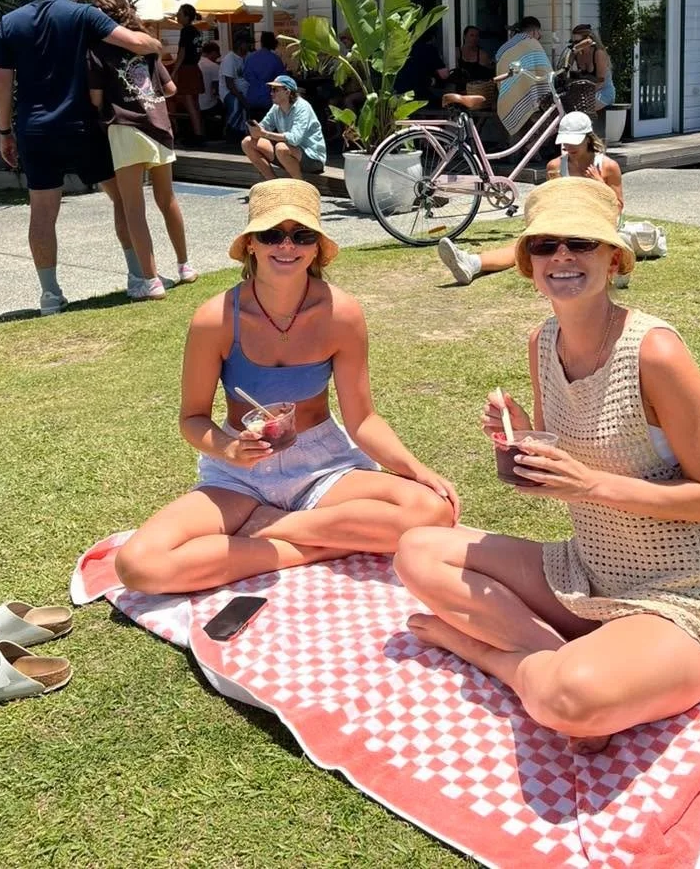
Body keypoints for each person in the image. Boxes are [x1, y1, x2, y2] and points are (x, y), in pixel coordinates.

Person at [394, 179, 700, 752]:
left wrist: (592, 484)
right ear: (528, 264)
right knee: (416, 550)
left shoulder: (654, 351)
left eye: (581, 243)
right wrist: (518, 434)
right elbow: (563, 466)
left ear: (614, 258)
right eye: (545, 245)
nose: (562, 256)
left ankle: (490, 654)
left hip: (677, 598)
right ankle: (558, 660)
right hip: (586, 572)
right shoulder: (543, 341)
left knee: (567, 700)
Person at [114, 180, 459, 595]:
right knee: (139, 565)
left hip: (322, 467)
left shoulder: (341, 313)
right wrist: (229, 448)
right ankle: (312, 547)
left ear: (316, 248)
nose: (287, 245)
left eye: (302, 235)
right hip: (240, 474)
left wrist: (416, 470)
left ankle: (274, 528)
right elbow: (192, 419)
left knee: (433, 512)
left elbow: (363, 419)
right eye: (271, 234)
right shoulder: (215, 318)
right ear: (251, 244)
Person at [0, 0, 162, 315]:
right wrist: (155, 45)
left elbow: (2, 85)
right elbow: (135, 43)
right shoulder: (84, 14)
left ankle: (50, 296)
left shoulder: (10, 23)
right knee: (121, 200)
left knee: (42, 212)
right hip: (84, 125)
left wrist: (5, 131)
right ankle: (138, 277)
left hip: (35, 130)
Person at [88, 0, 198, 301]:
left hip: (125, 128)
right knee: (168, 199)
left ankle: (151, 280)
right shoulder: (147, 45)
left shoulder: (97, 49)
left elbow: (95, 98)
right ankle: (185, 266)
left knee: (133, 208)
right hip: (158, 125)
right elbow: (171, 87)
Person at [438, 111, 624, 286]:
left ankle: (613, 269)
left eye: (574, 141)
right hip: (565, 221)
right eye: (566, 142)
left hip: (597, 223)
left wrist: (599, 184)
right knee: (531, 244)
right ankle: (472, 262)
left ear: (588, 138)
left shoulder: (608, 166)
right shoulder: (555, 166)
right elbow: (550, 201)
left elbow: (617, 207)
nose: (569, 147)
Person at [242, 76, 327, 180]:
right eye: (271, 90)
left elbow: (294, 139)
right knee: (247, 142)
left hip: (312, 159)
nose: (271, 93)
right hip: (287, 154)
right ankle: (272, 181)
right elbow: (264, 126)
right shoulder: (276, 107)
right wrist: (255, 131)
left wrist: (264, 134)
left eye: (275, 90)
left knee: (281, 148)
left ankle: (299, 184)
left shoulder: (303, 107)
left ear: (287, 92)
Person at [495, 17, 553, 134]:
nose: (540, 36)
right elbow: (545, 71)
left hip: (508, 96)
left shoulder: (505, 47)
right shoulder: (532, 43)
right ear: (534, 31)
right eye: (539, 33)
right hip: (531, 99)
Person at [171, 4, 205, 141]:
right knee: (195, 102)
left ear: (186, 16)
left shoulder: (186, 31)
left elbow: (182, 52)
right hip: (195, 67)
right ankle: (199, 131)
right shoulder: (197, 31)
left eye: (180, 14)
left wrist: (174, 71)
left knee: (189, 101)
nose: (177, 16)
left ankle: (197, 134)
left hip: (186, 69)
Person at [567, 24, 615, 109]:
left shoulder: (598, 53)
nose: (575, 45)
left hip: (603, 92)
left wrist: (584, 95)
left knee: (580, 106)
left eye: (577, 42)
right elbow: (566, 67)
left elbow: (600, 82)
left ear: (588, 40)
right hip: (587, 92)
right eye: (572, 42)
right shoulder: (578, 53)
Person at [396, 32, 450, 102]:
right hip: (420, 94)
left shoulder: (402, 50)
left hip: (400, 94)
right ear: (432, 38)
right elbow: (444, 75)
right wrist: (433, 80)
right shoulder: (429, 49)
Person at [242, 31, 286, 114]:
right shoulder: (275, 59)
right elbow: (282, 80)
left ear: (261, 43)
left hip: (252, 97)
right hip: (269, 99)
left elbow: (245, 76)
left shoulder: (250, 57)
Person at [220, 31, 253, 136]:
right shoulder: (229, 59)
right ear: (240, 44)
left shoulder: (249, 56)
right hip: (230, 92)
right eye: (247, 43)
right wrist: (242, 99)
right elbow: (229, 85)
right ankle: (231, 130)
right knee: (236, 105)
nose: (249, 46)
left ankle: (246, 130)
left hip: (246, 90)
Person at [198, 40, 223, 137]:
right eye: (217, 54)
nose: (218, 56)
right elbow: (217, 89)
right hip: (208, 105)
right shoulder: (213, 66)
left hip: (195, 104)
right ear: (213, 52)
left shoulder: (196, 63)